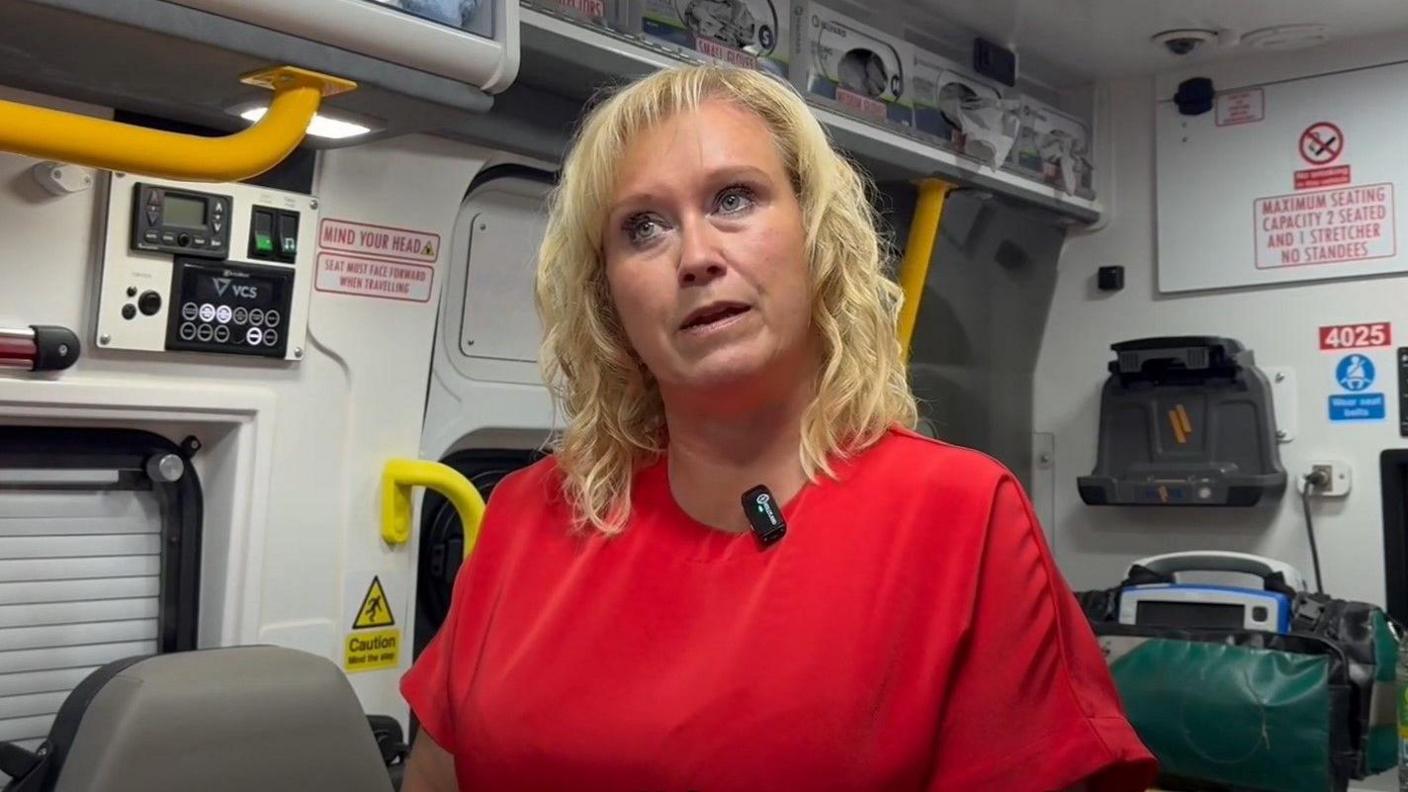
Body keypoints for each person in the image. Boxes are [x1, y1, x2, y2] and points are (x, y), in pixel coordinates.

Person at [401, 65, 1157, 791]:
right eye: (644, 228)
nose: (696, 257)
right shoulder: (528, 517)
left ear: (814, 237)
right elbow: (437, 777)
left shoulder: (960, 517)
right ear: (608, 299)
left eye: (734, 199)